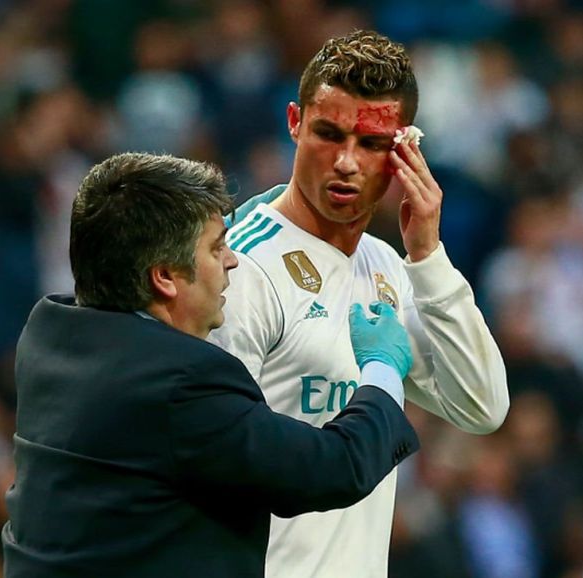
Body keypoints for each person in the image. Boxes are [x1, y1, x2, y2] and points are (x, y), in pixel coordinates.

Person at [1, 152, 420, 578]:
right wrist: (382, 369)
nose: (233, 259)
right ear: (165, 277)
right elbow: (333, 468)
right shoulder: (181, 384)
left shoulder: (48, 334)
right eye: (217, 247)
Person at [208, 29, 510, 578]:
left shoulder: (388, 267)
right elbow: (214, 464)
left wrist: (428, 256)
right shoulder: (240, 267)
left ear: (404, 150)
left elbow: (481, 405)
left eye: (371, 143)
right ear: (295, 122)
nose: (346, 162)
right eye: (329, 134)